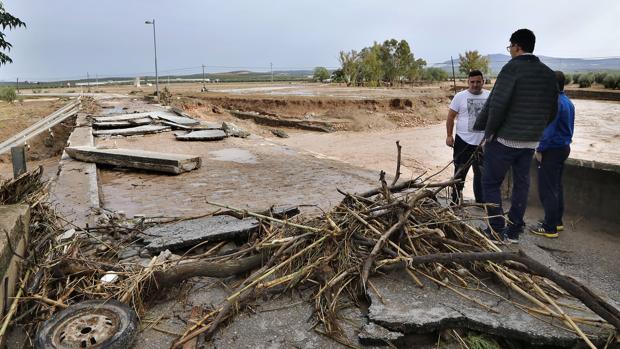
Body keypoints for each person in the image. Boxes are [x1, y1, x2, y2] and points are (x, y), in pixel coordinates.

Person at [473, 28, 558, 243]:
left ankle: (496, 229)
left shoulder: (512, 68)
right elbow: (552, 111)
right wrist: (534, 131)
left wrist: (488, 132)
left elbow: (497, 104)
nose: (510, 50)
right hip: (530, 141)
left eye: (510, 46)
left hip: (504, 140)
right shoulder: (548, 74)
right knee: (522, 183)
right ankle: (514, 230)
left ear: (517, 46)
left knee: (490, 182)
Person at [530, 71, 575, 238]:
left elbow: (548, 132)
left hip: (551, 150)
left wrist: (539, 150)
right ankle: (556, 221)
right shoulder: (567, 102)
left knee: (547, 189)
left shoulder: (554, 103)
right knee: (556, 187)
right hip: (563, 148)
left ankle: (549, 228)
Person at [445, 70, 489, 204]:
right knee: (460, 172)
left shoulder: (490, 96)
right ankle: (456, 200)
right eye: (472, 82)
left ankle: (481, 201)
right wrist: (449, 135)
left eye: (478, 82)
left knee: (481, 173)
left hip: (483, 143)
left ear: (483, 81)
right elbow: (450, 117)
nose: (475, 85)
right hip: (463, 142)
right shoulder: (460, 97)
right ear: (468, 82)